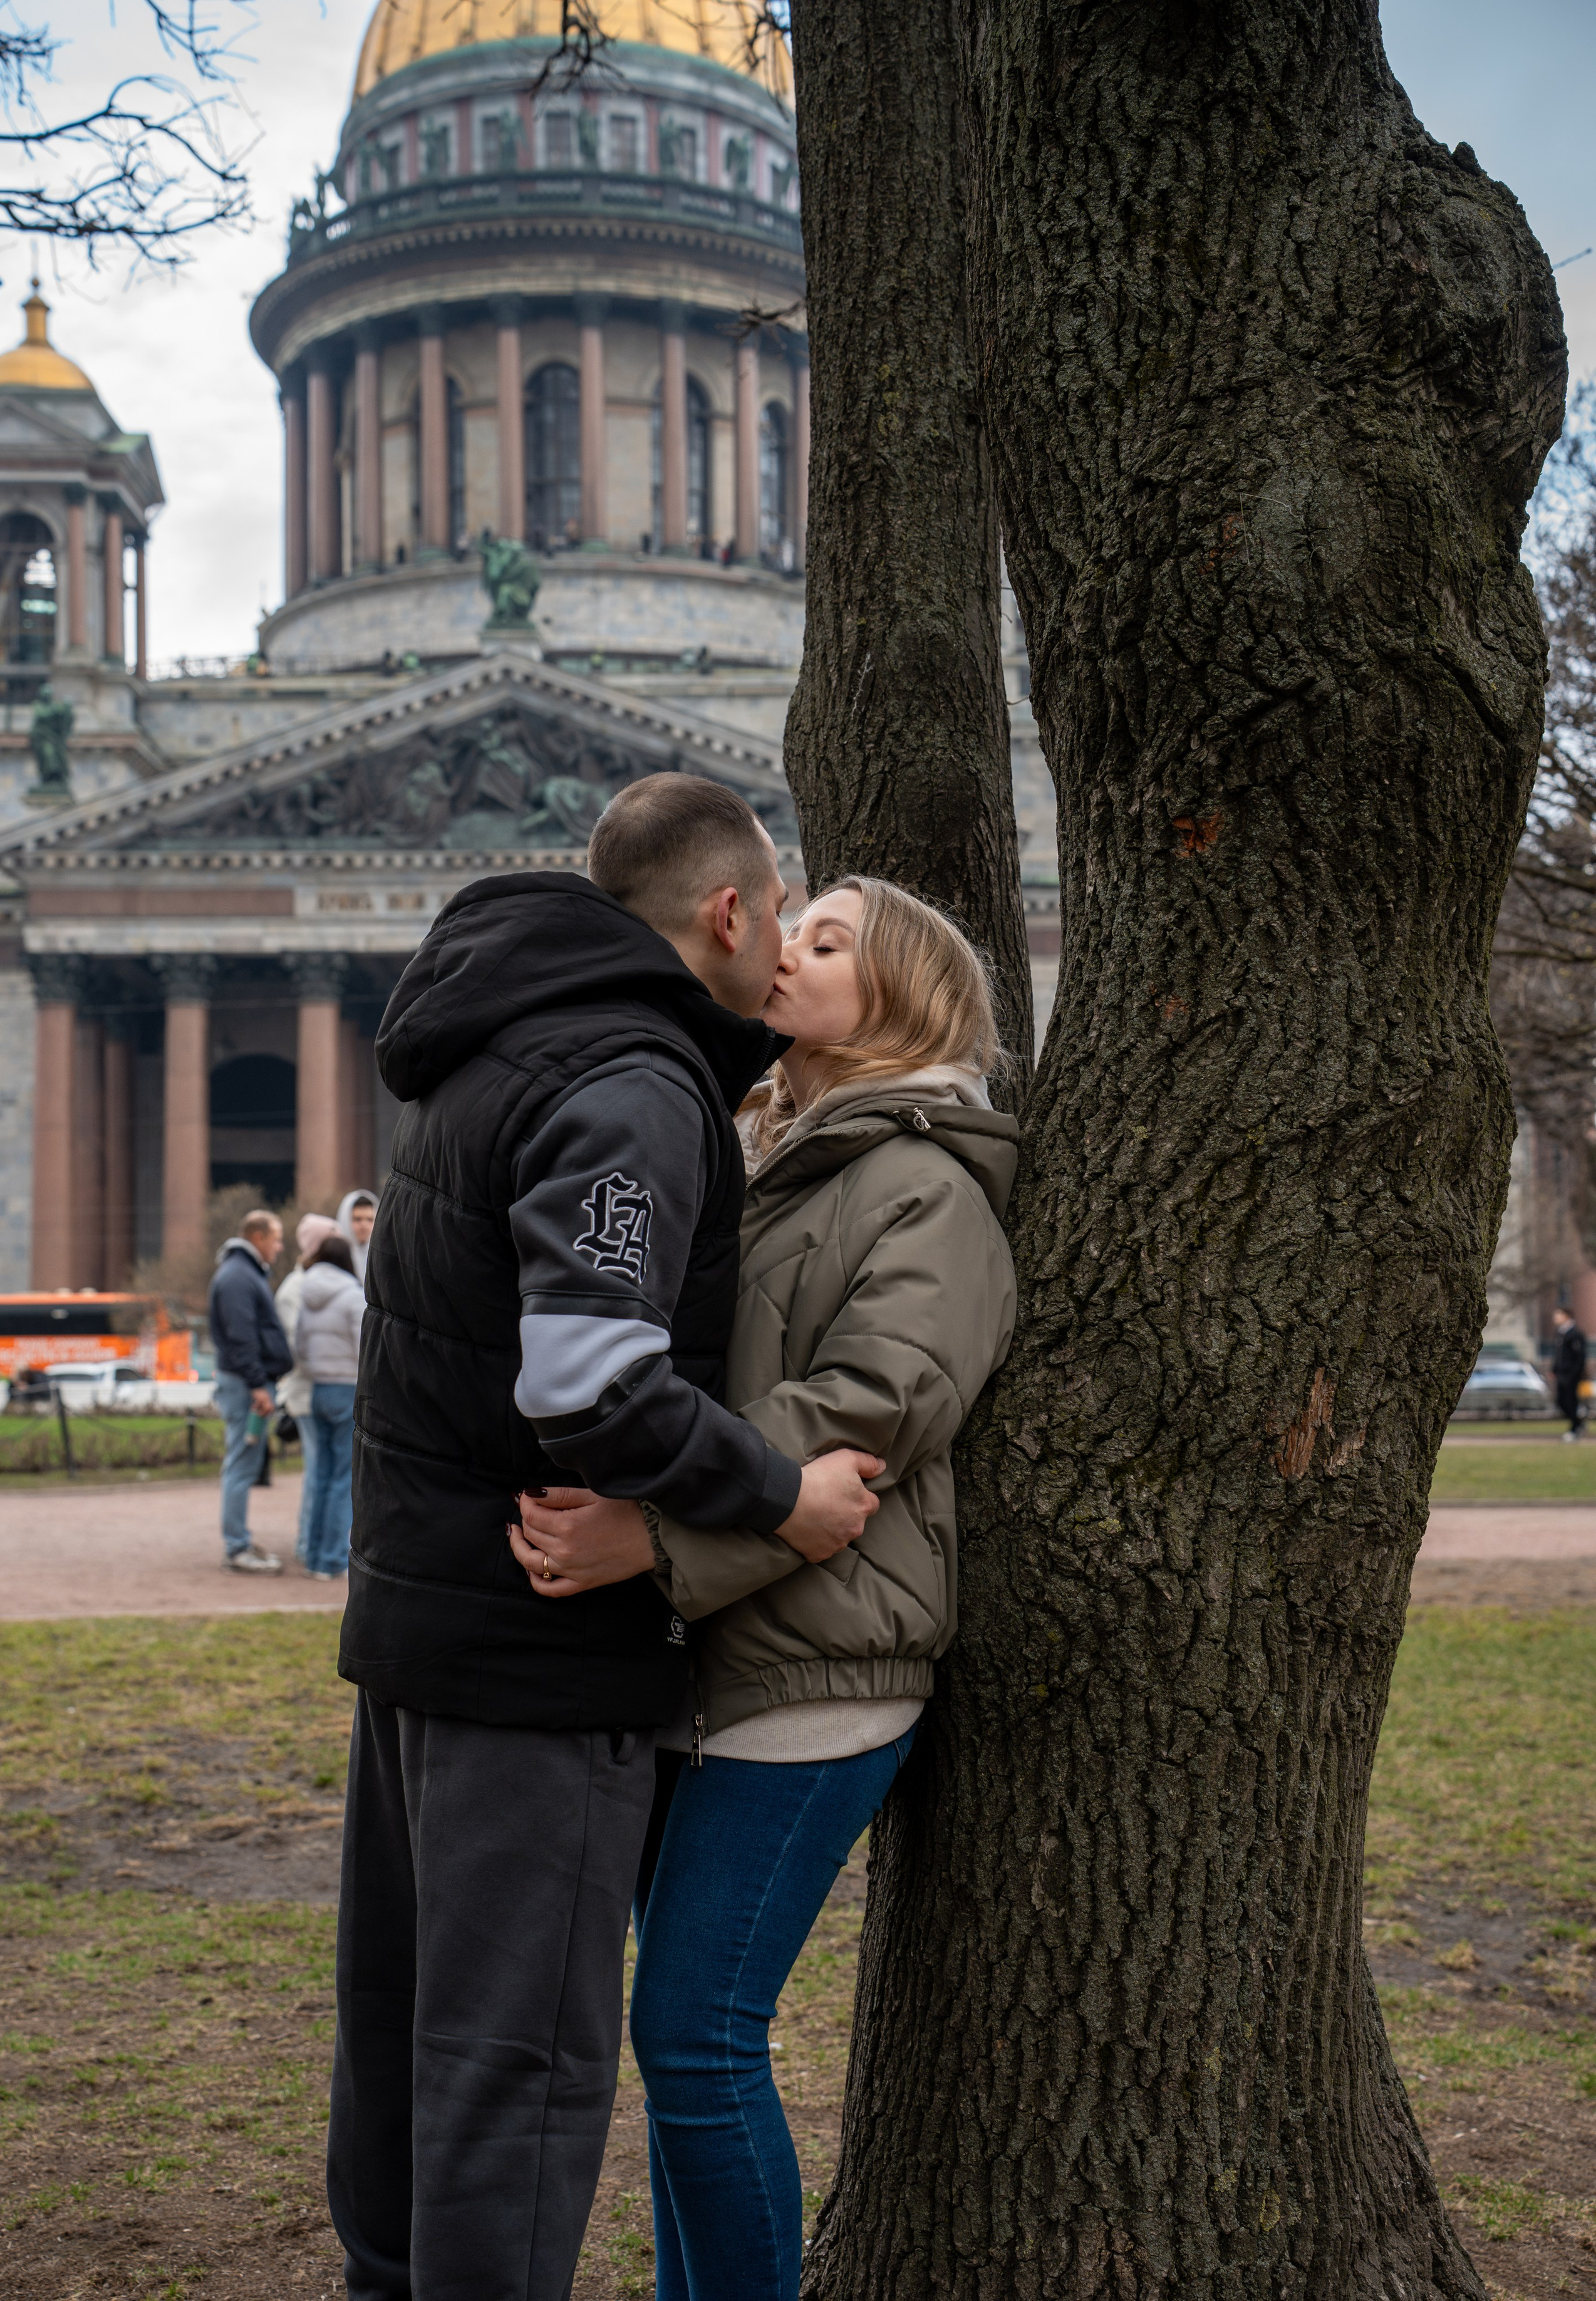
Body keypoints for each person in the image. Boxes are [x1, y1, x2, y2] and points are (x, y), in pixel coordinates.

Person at [328, 775, 883, 2301]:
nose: (779, 950)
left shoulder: (488, 1044)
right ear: (724, 912)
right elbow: (585, 1376)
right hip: (539, 1654)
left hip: (423, 1629)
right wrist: (782, 1493)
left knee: (398, 2040)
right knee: (517, 2069)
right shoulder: (632, 1079)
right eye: (776, 914)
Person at [516, 876, 1019, 2301]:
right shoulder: (758, 1144)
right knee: (680, 2041)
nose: (781, 946)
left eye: (825, 938)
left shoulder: (927, 1178)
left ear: (904, 996)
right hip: (710, 1651)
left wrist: (657, 1542)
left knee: (694, 2030)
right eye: (788, 924)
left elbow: (867, 1415)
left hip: (822, 1662)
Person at [207, 1209, 291, 1574]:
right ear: (257, 1237)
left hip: (246, 1384)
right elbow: (241, 1336)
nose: (280, 1246)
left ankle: (239, 1540)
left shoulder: (240, 1273)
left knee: (244, 1464)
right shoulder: (240, 1277)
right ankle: (237, 1546)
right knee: (242, 1466)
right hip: (246, 1387)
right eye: (276, 1238)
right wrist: (258, 1384)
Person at [294, 1232, 366, 1579]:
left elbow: (300, 1347)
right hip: (346, 1387)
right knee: (342, 1478)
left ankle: (311, 1553)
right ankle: (331, 1558)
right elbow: (364, 1347)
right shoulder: (353, 1296)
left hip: (318, 1389)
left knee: (320, 1475)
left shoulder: (306, 1295)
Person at [274, 1211, 342, 1563]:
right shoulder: (296, 1289)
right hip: (309, 1391)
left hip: (316, 1389)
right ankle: (311, 1546)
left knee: (320, 1472)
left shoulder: (305, 1285)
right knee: (320, 1472)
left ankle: (311, 1544)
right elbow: (296, 1348)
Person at [1553, 1306, 1588, 1441]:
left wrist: (1574, 1373)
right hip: (1562, 1374)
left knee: (1571, 1401)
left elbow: (1579, 1357)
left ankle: (1575, 1428)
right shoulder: (1560, 1333)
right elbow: (1559, 1355)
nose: (1555, 1318)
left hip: (1571, 1375)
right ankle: (1579, 1423)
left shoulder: (1575, 1334)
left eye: (1558, 1315)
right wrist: (1555, 1370)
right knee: (1561, 1401)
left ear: (1566, 1316)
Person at [335, 1188, 378, 1283]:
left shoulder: (382, 1258)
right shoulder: (335, 1260)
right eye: (357, 1219)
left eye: (370, 1219)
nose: (364, 1225)